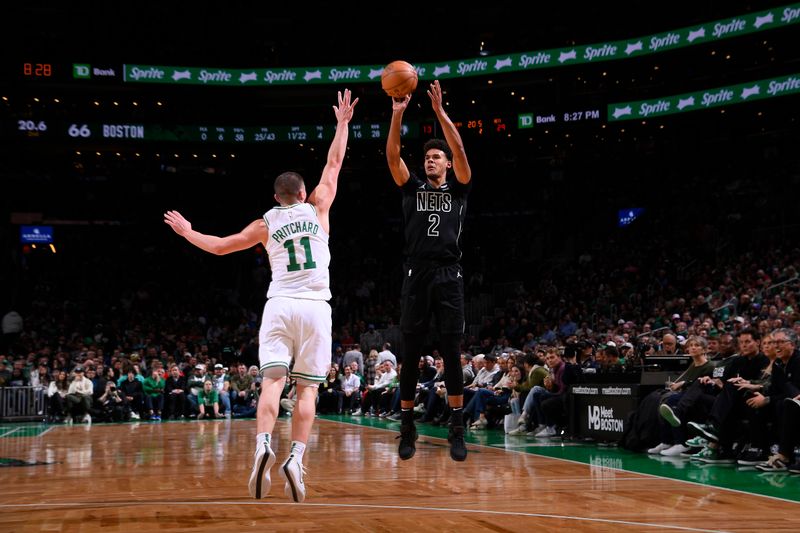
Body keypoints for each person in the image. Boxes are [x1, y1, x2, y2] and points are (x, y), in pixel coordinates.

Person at [165, 89, 357, 503]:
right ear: (304, 194)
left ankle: (261, 446)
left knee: (272, 380)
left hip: (279, 305)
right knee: (307, 390)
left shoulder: (264, 224)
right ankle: (296, 457)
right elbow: (334, 163)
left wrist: (187, 232)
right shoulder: (319, 205)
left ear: (276, 198)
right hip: (315, 307)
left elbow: (218, 246)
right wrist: (341, 123)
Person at [386, 80, 472, 462]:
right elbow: (391, 158)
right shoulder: (411, 188)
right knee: (411, 350)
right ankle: (407, 427)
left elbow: (461, 148)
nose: (431, 160)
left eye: (437, 157)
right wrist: (397, 114)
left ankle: (457, 427)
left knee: (451, 351)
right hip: (416, 273)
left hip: (448, 274)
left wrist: (440, 113)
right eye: (428, 157)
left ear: (448, 164)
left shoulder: (459, 189)